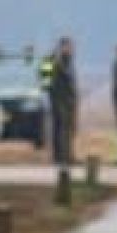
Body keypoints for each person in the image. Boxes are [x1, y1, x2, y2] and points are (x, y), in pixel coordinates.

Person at [43, 36, 78, 166]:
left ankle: (67, 155)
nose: (71, 50)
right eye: (68, 47)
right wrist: (54, 94)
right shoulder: (53, 60)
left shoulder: (68, 61)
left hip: (69, 101)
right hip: (60, 100)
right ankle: (62, 156)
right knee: (62, 129)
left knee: (69, 129)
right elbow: (45, 81)